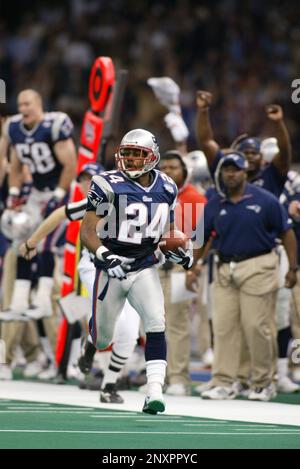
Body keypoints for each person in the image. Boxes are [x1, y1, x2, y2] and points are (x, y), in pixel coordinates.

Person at [80, 128, 193, 414]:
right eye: (126, 153)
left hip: (144, 265)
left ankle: (154, 391)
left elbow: (168, 231)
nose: (130, 159)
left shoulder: (167, 186)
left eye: (137, 154)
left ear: (151, 157)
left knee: (156, 322)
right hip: (111, 266)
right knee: (105, 337)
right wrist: (106, 256)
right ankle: (91, 342)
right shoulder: (106, 183)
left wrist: (182, 251)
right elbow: (88, 232)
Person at [19, 162, 141, 403]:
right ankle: (94, 340)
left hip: (132, 268)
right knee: (113, 323)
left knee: (130, 332)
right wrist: (32, 242)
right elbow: (60, 214)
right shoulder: (103, 199)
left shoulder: (150, 198)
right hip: (96, 265)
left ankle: (109, 385)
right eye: (83, 179)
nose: (87, 184)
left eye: (91, 178)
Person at [187, 152, 297, 401]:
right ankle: (224, 381)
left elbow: (287, 232)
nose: (231, 174)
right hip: (225, 268)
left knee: (257, 326)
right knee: (224, 327)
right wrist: (192, 267)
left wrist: (292, 268)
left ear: (245, 172)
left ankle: (262, 381)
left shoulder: (266, 200)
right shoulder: (215, 202)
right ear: (221, 173)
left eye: (235, 169)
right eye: (226, 170)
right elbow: (201, 237)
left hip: (259, 264)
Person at [0, 89, 77, 378]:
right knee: (25, 245)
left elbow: (70, 164)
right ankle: (23, 301)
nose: (23, 108)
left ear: (40, 104)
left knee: (45, 248)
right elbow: (16, 165)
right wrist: (15, 194)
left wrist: (60, 193)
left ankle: (62, 357)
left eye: (27, 103)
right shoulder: (15, 130)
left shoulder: (54, 126)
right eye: (20, 104)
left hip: (58, 193)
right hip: (35, 196)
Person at [158, 150, 206, 396]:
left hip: (180, 265)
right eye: (163, 167)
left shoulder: (195, 198)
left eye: (173, 167)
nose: (167, 171)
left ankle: (179, 378)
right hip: (154, 263)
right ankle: (158, 377)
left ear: (185, 171)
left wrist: (194, 266)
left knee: (177, 323)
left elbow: (204, 237)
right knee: (154, 322)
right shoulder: (152, 193)